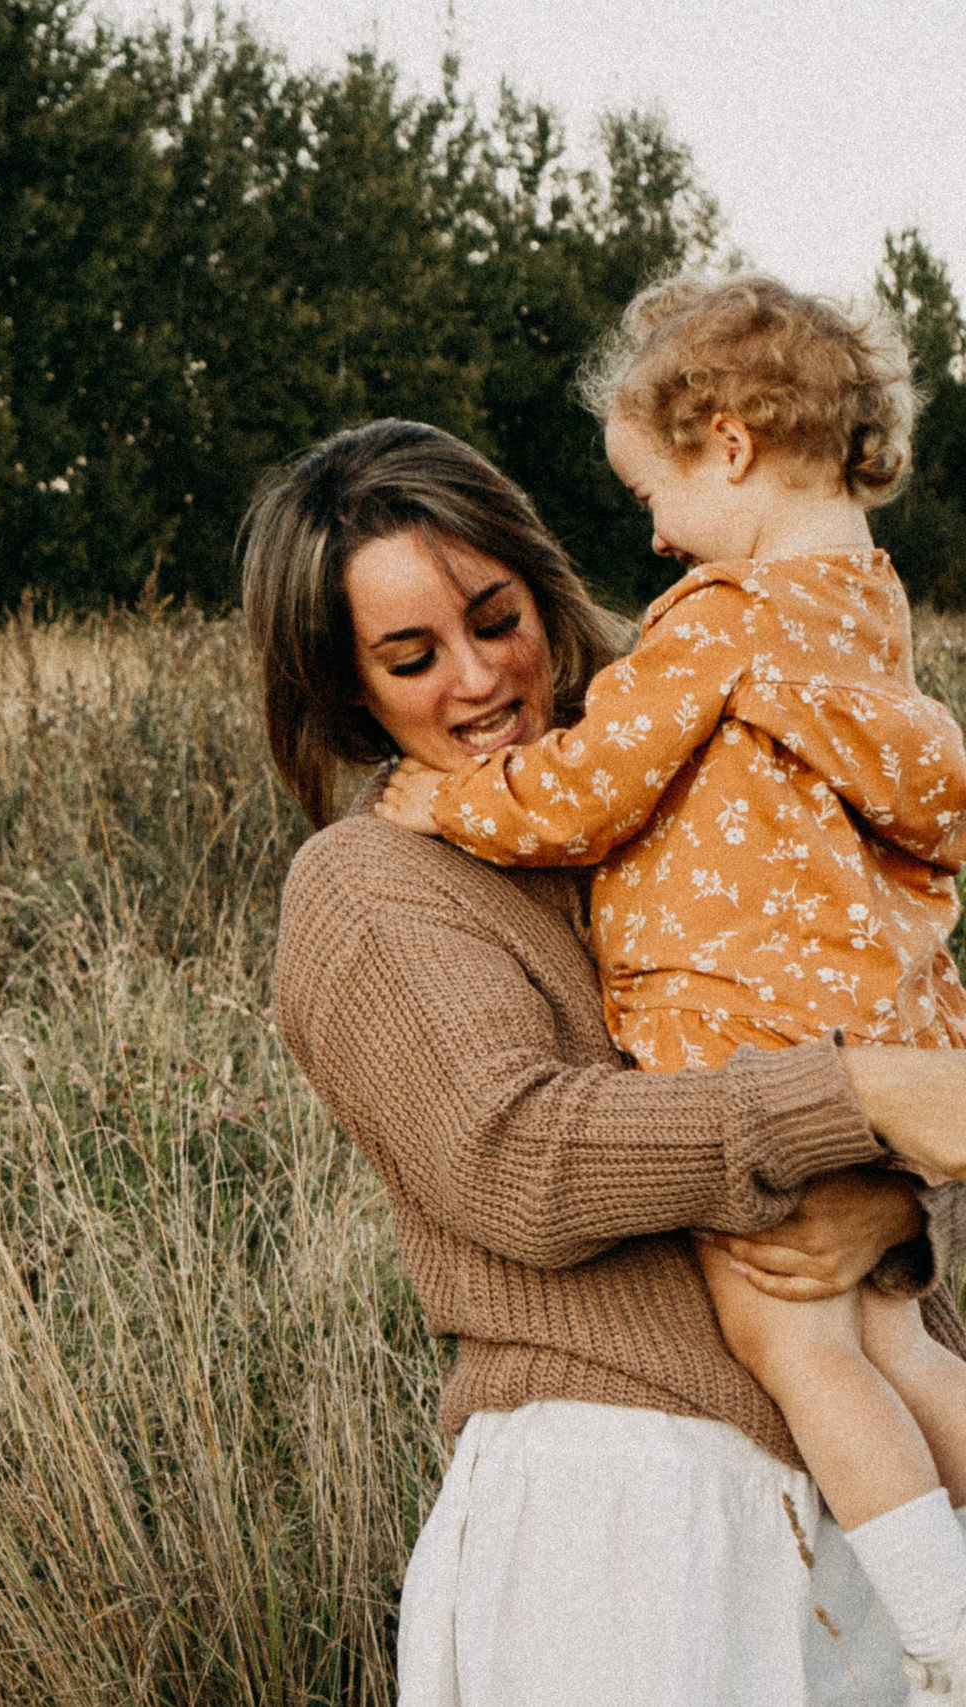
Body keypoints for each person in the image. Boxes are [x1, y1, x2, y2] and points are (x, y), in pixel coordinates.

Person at [243, 415, 966, 1706]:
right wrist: (852, 1099)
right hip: (626, 1519)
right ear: (349, 689)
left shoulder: (706, 786)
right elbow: (516, 1156)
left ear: (545, 588)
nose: (478, 679)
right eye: (412, 657)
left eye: (497, 619)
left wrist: (900, 1208)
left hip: (876, 1500)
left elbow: (910, 1037)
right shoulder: (373, 882)